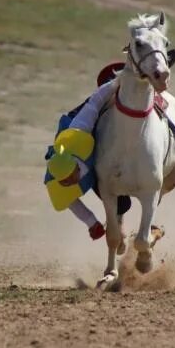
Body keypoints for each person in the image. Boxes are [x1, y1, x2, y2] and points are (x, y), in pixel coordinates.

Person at [44, 63, 131, 240]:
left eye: (69, 179)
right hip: (92, 162)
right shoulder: (56, 182)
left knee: (103, 105)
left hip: (79, 128)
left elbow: (95, 101)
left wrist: (118, 81)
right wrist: (92, 223)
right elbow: (71, 202)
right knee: (120, 203)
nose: (68, 183)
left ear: (75, 167)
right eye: (65, 182)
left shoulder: (79, 131)